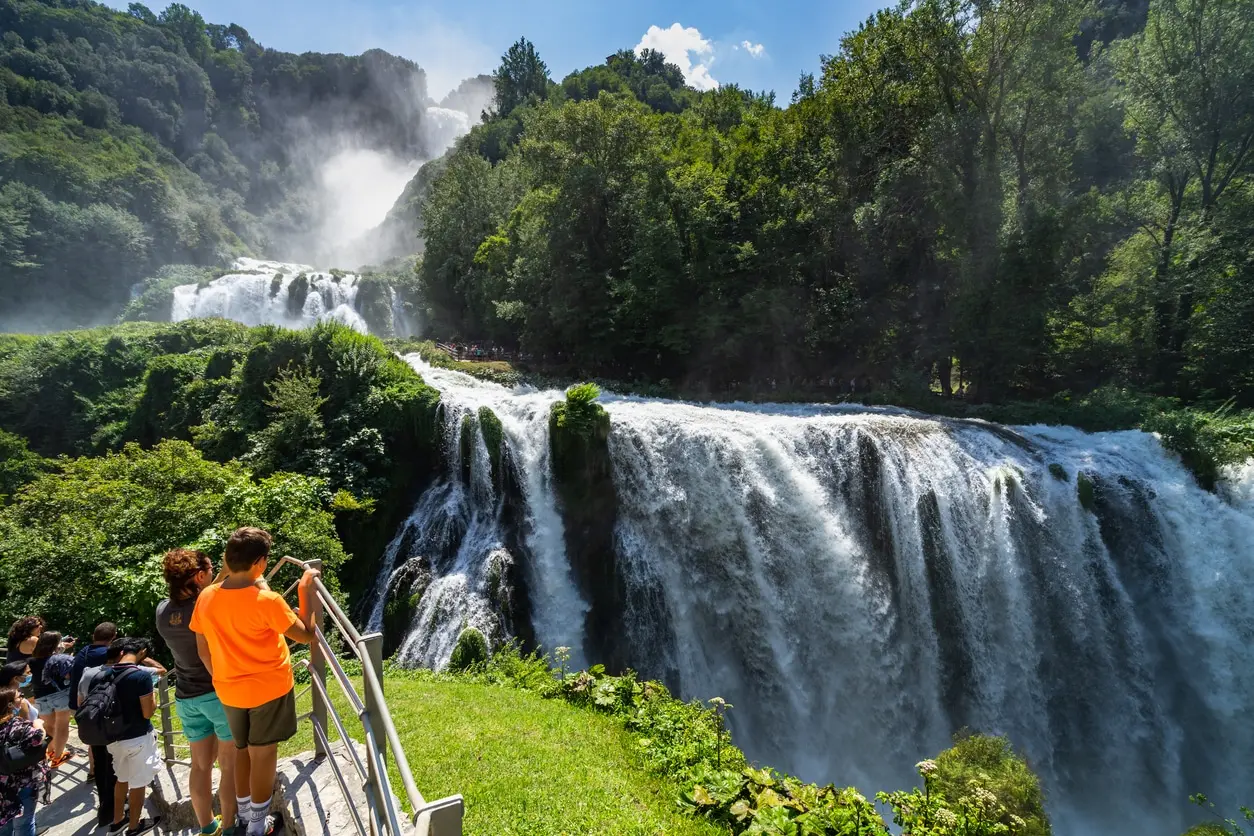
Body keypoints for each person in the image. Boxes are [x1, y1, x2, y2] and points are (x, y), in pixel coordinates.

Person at [191, 528, 321, 836]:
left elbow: (201, 645)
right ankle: (258, 826)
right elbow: (305, 634)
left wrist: (220, 675)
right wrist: (306, 589)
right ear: (260, 563)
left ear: (228, 558)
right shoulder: (267, 600)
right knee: (263, 754)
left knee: (242, 749)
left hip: (228, 688)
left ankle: (247, 814)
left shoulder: (207, 596)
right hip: (268, 688)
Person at [157, 549, 239, 836]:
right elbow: (210, 600)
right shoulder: (209, 607)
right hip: (217, 695)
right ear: (200, 576)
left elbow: (203, 595)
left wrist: (219, 573)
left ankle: (207, 827)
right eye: (210, 569)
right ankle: (230, 828)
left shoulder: (163, 611)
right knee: (229, 767)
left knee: (200, 766)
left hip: (186, 698)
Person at [104, 638, 161, 836]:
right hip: (137, 737)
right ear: (142, 652)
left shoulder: (101, 673)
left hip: (113, 738)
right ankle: (134, 827)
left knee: (121, 779)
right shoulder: (140, 677)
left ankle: (117, 820)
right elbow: (147, 713)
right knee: (138, 784)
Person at [78, 643, 123, 828]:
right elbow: (160, 671)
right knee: (115, 767)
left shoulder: (88, 673)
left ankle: (104, 806)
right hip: (112, 726)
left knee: (100, 764)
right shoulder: (123, 672)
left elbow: (80, 700)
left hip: (92, 724)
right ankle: (115, 809)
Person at [0, 686, 47, 836]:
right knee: (25, 824)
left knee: (4, 825)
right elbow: (38, 737)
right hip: (23, 783)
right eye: (20, 696)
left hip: (2, 786)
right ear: (10, 705)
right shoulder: (17, 726)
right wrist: (38, 724)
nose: (22, 697)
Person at [28, 631, 74, 767]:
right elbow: (69, 676)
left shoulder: (31, 660)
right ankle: (58, 757)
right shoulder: (60, 659)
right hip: (60, 695)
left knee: (48, 727)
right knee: (62, 726)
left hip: (40, 697)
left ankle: (49, 751)